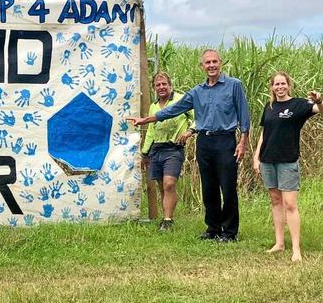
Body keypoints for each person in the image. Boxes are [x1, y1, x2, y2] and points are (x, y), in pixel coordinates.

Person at [128, 49, 250, 242]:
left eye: (214, 62)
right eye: (207, 63)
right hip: (204, 142)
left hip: (225, 141)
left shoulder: (234, 86)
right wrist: (145, 120)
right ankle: (213, 229)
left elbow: (244, 115)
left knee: (227, 187)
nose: (211, 66)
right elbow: (173, 110)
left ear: (221, 63)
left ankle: (229, 232)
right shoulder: (197, 92)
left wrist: (243, 142)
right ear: (202, 66)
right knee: (208, 187)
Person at [252, 72, 321, 262]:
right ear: (272, 87)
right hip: (268, 160)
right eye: (276, 84)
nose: (280, 87)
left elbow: (320, 110)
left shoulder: (299, 105)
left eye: (283, 83)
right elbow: (264, 133)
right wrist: (256, 157)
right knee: (275, 201)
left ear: (288, 85)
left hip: (288, 160)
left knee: (290, 204)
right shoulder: (269, 107)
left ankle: (296, 249)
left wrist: (320, 100)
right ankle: (279, 243)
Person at [141, 72, 195, 231]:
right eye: (157, 85)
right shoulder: (153, 106)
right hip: (157, 149)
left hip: (174, 148)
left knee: (169, 183)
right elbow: (151, 131)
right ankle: (166, 219)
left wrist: (190, 131)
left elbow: (197, 116)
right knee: (161, 185)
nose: (161, 87)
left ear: (170, 86)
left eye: (164, 84)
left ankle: (168, 219)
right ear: (154, 88)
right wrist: (145, 153)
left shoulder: (181, 100)